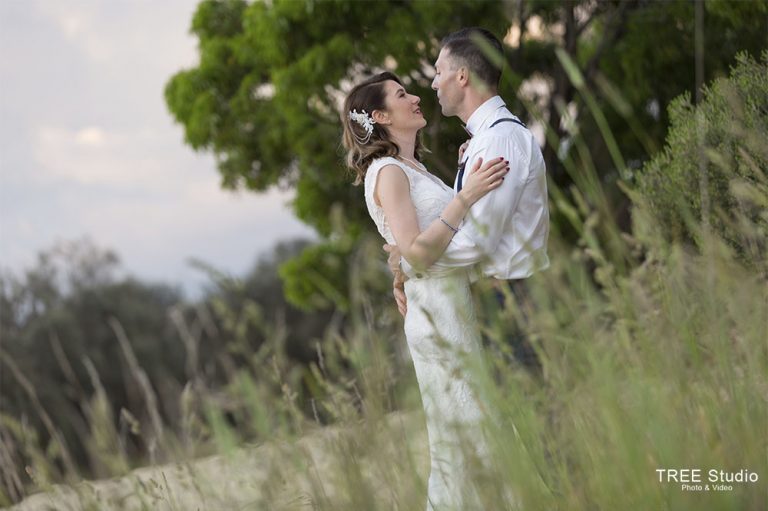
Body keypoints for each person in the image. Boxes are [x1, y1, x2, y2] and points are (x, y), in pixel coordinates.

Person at [341, 71, 508, 510]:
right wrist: (466, 195)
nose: (415, 97)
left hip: (453, 308)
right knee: (470, 435)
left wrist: (461, 175)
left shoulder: (414, 168)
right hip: (438, 318)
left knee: (477, 433)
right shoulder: (389, 171)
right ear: (379, 116)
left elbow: (416, 247)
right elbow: (417, 252)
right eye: (401, 95)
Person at [386, 27, 550, 375]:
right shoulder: (484, 141)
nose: (433, 84)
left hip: (516, 299)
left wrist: (414, 262)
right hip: (503, 298)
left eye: (438, 72)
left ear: (462, 76)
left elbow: (477, 241)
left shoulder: (499, 142)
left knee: (537, 417)